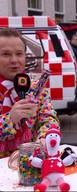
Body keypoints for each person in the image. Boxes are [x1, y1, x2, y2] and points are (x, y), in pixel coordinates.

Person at [0, 28, 60, 158]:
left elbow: (49, 119)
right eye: (6, 54)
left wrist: (44, 138)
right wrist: (10, 118)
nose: (14, 60)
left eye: (19, 54)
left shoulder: (35, 87)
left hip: (30, 164)